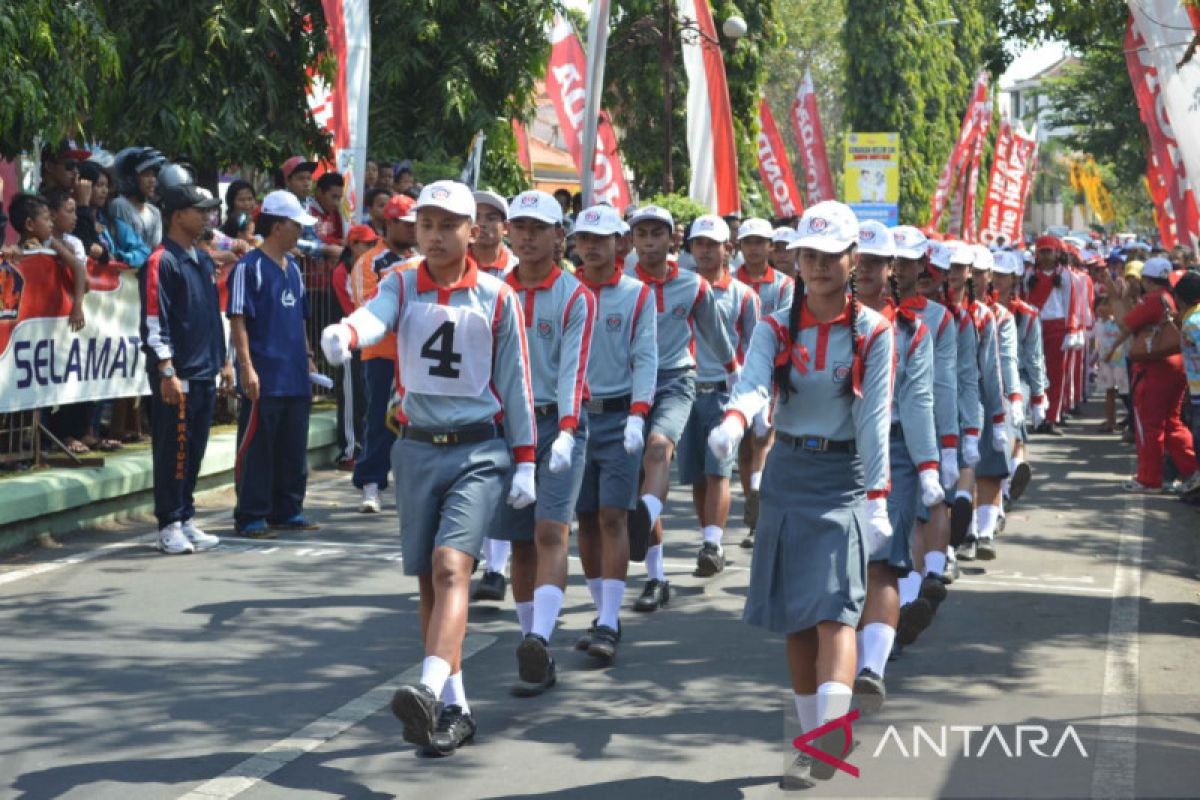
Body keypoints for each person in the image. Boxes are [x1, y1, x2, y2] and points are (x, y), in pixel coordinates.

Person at [320, 179, 537, 757]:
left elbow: (516, 384)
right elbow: (373, 316)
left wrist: (525, 462)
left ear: (473, 231)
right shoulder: (401, 283)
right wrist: (345, 333)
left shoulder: (497, 297)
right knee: (427, 578)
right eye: (426, 225)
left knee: (450, 567)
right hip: (415, 447)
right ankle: (454, 706)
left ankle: (427, 685)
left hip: (477, 450)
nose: (435, 236)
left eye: (447, 225)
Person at [707, 201, 894, 789]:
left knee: (834, 613)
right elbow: (756, 378)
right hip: (787, 469)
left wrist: (879, 495)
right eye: (806, 254)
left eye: (827, 254)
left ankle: (828, 742)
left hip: (843, 478)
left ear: (852, 259)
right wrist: (736, 420)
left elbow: (874, 417)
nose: (814, 265)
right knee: (794, 617)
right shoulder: (776, 320)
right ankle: (815, 739)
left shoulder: (873, 331)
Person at [490, 191, 594, 695]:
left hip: (558, 424)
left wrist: (568, 430)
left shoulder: (576, 296)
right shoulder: (492, 290)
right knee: (518, 541)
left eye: (539, 227)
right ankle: (529, 640)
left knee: (551, 530)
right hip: (507, 428)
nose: (527, 236)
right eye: (521, 226)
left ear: (560, 236)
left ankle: (540, 639)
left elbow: (573, 369)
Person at [624, 204, 737, 612]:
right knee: (639, 478)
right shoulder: (620, 284)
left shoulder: (693, 286)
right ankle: (655, 577)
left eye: (657, 233)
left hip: (676, 380)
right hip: (628, 384)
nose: (649, 241)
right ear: (632, 240)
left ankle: (645, 514)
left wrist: (734, 373)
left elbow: (717, 336)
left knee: (659, 449)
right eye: (642, 234)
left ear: (672, 240)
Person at [850, 221, 942, 711]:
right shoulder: (816, 318)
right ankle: (839, 659)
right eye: (857, 258)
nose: (863, 269)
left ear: (892, 271)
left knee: (883, 561)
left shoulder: (912, 331)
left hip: (895, 452)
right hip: (836, 455)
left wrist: (929, 464)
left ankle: (871, 668)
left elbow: (919, 397)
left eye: (874, 261)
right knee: (841, 565)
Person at [570, 204, 657, 664]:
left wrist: (639, 415)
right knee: (584, 518)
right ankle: (602, 611)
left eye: (601, 239)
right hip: (574, 420)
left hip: (619, 417)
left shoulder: (636, 295)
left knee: (612, 517)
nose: (591, 247)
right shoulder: (567, 290)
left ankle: (608, 619)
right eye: (584, 239)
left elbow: (646, 357)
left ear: (619, 242)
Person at [140, 185, 231, 554]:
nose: (207, 216)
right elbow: (152, 321)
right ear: (178, 215)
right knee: (173, 450)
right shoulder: (161, 261)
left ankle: (186, 516)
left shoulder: (203, 259)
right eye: (200, 210)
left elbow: (212, 314)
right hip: (177, 373)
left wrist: (223, 360)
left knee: (194, 449)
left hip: (205, 369)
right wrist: (166, 370)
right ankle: (169, 523)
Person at [227, 191, 322, 537]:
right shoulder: (248, 268)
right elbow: (238, 319)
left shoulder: (294, 269)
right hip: (264, 375)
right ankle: (251, 513)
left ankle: (288, 509)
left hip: (294, 374)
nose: (300, 232)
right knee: (259, 447)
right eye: (296, 225)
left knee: (292, 447)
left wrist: (309, 357)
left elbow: (300, 319)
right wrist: (246, 366)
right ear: (278, 225)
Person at [676, 215, 759, 575]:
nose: (705, 251)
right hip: (683, 390)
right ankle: (708, 534)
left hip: (724, 393)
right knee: (696, 474)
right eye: (699, 244)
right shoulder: (680, 288)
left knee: (717, 472)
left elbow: (756, 350)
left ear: (729, 248)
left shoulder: (744, 295)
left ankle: (713, 542)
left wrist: (757, 402)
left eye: (713, 244)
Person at [888, 226, 959, 634]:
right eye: (889, 260)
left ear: (922, 268)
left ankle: (908, 602)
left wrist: (948, 447)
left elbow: (945, 385)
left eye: (907, 261)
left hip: (915, 429)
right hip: (860, 434)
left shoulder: (938, 319)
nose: (897, 269)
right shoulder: (857, 312)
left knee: (912, 518)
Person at [350, 193, 419, 513]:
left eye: (414, 225)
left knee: (417, 420)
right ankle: (371, 483)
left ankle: (413, 486)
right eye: (405, 224)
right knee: (379, 418)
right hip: (382, 354)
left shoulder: (423, 259)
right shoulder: (370, 262)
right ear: (388, 224)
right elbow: (368, 306)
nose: (411, 231)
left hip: (417, 355)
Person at [1106, 257, 1199, 493]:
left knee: (1150, 425)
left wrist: (1113, 293)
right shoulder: (1171, 299)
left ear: (1147, 280)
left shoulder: (1152, 300)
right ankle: (1192, 470)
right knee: (1172, 423)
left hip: (1155, 368)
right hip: (1176, 366)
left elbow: (1124, 324)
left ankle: (1149, 479)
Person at [733, 217, 793, 549]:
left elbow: (784, 332)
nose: (754, 249)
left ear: (770, 246)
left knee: (762, 440)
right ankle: (753, 502)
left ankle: (761, 503)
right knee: (744, 447)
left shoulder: (784, 286)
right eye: (748, 242)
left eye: (760, 242)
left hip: (770, 374)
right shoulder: (728, 282)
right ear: (739, 246)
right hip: (734, 373)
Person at [967, 245, 1018, 561]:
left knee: (989, 467)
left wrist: (1012, 402)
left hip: (990, 397)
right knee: (963, 470)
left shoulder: (999, 317)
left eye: (983, 272)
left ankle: (985, 532)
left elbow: (1006, 361)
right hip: (960, 400)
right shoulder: (948, 312)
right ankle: (967, 530)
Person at [993, 250, 1046, 506]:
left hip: (1020, 378)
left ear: (1015, 278)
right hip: (990, 377)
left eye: (1004, 276)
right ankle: (1016, 467)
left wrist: (1038, 395)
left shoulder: (1028, 314)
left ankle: (1008, 480)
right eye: (994, 274)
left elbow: (1035, 357)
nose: (997, 280)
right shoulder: (980, 310)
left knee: (1012, 419)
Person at [331, 225, 378, 469]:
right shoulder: (342, 271)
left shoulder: (370, 268)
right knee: (351, 396)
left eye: (372, 244)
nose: (370, 248)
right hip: (349, 339)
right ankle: (349, 450)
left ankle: (364, 446)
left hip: (368, 337)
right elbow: (350, 307)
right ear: (352, 245)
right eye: (365, 244)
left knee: (365, 395)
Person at [1025, 236, 1074, 434]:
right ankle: (1036, 416)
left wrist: (1071, 330)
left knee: (1055, 374)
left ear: (1057, 253)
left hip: (1057, 327)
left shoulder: (1065, 276)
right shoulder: (1029, 275)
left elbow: (1071, 303)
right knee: (1035, 372)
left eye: (1049, 251)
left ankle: (1052, 417)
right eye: (1042, 251)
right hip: (1035, 325)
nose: (1045, 255)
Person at [109, 147, 166, 249]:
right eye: (146, 175)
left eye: (154, 175)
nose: (152, 180)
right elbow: (127, 245)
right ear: (131, 179)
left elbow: (155, 249)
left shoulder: (154, 212)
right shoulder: (120, 205)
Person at [1092, 294, 1128, 434]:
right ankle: (1110, 421)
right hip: (1105, 363)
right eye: (1101, 304)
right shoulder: (1100, 324)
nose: (1101, 308)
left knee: (1123, 392)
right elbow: (1098, 343)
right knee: (1109, 392)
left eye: (1106, 304)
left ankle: (1126, 420)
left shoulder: (1117, 324)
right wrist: (1095, 357)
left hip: (1119, 362)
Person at [471, 190, 516, 277]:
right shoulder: (453, 266)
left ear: (506, 227)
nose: (482, 224)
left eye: (491, 218)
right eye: (476, 217)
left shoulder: (516, 269)